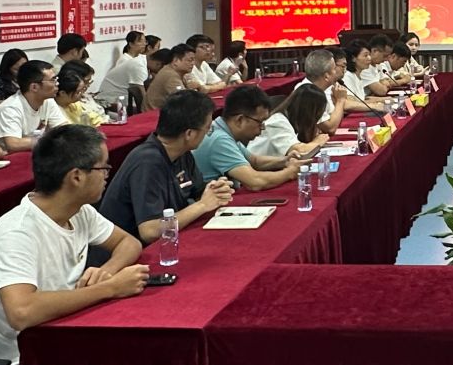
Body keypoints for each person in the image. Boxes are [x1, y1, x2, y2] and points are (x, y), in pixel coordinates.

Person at [0, 124, 147, 365]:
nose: (107, 175)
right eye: (103, 168)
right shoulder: (17, 233)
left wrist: (108, 270)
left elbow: (129, 243)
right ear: (76, 176)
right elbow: (22, 312)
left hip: (59, 347)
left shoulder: (79, 212)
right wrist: (108, 289)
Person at [97, 90, 235, 248]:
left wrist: (215, 190)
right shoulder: (147, 162)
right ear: (189, 134)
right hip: (126, 253)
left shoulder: (182, 153)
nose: (208, 133)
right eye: (207, 129)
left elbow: (198, 193)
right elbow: (149, 231)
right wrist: (202, 205)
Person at [196, 84, 303, 188]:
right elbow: (255, 181)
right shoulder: (219, 140)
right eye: (260, 122)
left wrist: (285, 161)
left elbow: (254, 161)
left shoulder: (223, 128)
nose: (263, 128)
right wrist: (290, 172)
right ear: (240, 120)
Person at [0, 61, 65, 150]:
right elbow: (13, 144)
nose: (57, 83)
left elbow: (64, 129)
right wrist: (50, 140)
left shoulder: (48, 101)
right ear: (34, 87)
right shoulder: (10, 108)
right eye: (52, 80)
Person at [250, 83, 329, 161]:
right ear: (309, 112)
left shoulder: (292, 121)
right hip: (255, 167)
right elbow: (299, 152)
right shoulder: (277, 122)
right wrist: (317, 142)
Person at [97, 31, 150, 110]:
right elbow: (137, 87)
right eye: (140, 41)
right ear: (131, 44)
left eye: (145, 41)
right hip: (118, 98)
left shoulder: (140, 58)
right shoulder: (124, 60)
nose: (144, 44)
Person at [339, 41, 390, 112]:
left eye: (369, 55)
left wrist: (383, 99)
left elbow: (362, 99)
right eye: (365, 55)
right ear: (353, 58)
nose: (369, 58)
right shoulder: (348, 76)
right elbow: (351, 102)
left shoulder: (358, 75)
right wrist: (376, 105)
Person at [144, 44, 197, 110]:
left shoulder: (176, 71)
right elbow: (185, 101)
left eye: (194, 60)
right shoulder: (170, 75)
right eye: (190, 60)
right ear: (176, 61)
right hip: (155, 113)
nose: (193, 63)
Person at [55, 62, 106, 126]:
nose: (81, 94)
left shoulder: (74, 104)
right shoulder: (55, 110)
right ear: (63, 93)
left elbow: (94, 118)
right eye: (78, 92)